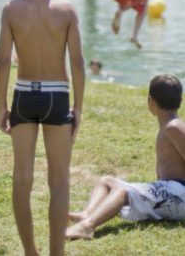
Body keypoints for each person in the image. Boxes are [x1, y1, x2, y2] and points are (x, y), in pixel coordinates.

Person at [0, 0, 85, 256]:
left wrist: (2, 106)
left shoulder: (10, 9)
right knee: (59, 181)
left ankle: (30, 252)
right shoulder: (67, 10)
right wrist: (78, 107)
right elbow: (77, 63)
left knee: (22, 179)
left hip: (23, 95)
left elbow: (4, 61)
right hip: (57, 96)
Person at [66, 74, 185, 240]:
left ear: (150, 101)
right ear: (180, 100)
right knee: (105, 181)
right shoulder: (169, 125)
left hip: (180, 194)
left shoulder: (174, 126)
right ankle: (87, 214)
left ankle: (87, 227)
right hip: (171, 191)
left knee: (123, 191)